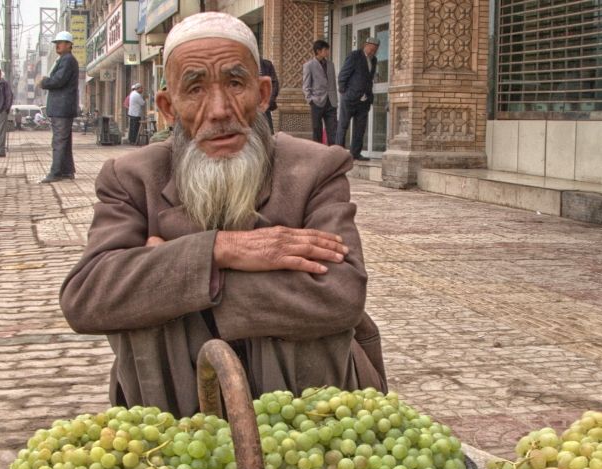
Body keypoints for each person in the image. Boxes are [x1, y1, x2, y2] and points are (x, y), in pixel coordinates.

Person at [60, 12, 386, 417]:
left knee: (145, 300)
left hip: (309, 417)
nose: (218, 110)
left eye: (235, 84)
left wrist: (173, 272)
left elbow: (340, 295)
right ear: (167, 105)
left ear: (263, 93)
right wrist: (220, 250)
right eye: (194, 88)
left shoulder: (316, 167)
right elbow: (88, 297)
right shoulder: (131, 178)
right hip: (175, 418)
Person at [38, 31, 79, 183]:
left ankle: (55, 173)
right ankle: (67, 171)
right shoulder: (64, 59)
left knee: (59, 141)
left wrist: (43, 82)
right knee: (64, 141)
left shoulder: (67, 60)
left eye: (61, 43)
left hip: (62, 108)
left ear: (69, 45)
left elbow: (58, 80)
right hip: (62, 107)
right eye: (56, 43)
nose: (58, 45)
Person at [336, 36, 379, 161]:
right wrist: (344, 92)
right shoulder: (355, 56)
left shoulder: (374, 60)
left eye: (375, 50)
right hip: (350, 98)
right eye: (371, 49)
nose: (372, 52)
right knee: (343, 125)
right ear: (365, 45)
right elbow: (343, 75)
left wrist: (369, 95)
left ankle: (355, 153)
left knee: (360, 128)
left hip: (364, 100)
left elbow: (369, 78)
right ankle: (338, 153)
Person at [302, 40, 337, 145]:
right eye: (325, 50)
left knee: (332, 128)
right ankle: (318, 151)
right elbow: (306, 85)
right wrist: (310, 99)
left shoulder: (331, 64)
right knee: (317, 129)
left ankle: (333, 152)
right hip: (316, 101)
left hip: (331, 101)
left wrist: (335, 99)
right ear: (318, 51)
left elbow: (333, 83)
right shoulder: (309, 65)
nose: (327, 52)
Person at [260, 57, 279, 134]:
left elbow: (274, 83)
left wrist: (269, 100)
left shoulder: (266, 65)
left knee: (268, 134)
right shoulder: (243, 64)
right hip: (248, 106)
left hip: (264, 105)